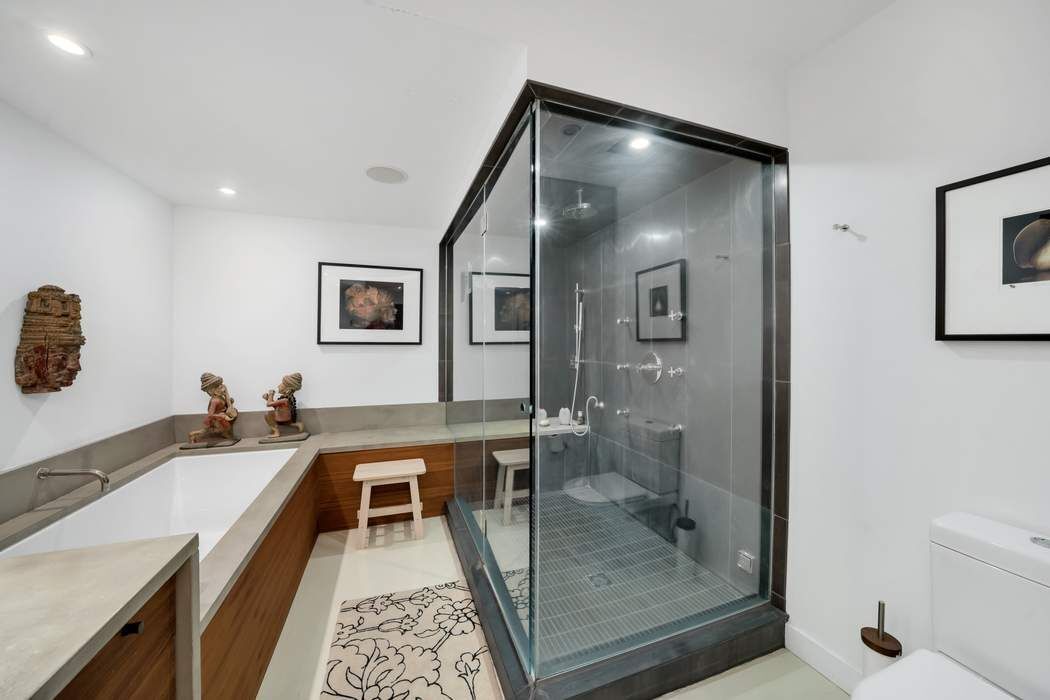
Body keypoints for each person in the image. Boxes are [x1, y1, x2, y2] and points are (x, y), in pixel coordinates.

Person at [263, 372, 305, 438]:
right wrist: (267, 398)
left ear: (287, 389)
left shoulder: (285, 400)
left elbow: (269, 404)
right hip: (284, 417)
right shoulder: (285, 399)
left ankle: (276, 432)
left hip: (283, 418)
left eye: (282, 384)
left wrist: (271, 394)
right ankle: (296, 424)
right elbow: (276, 407)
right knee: (273, 414)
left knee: (267, 415)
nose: (278, 386)